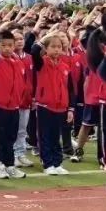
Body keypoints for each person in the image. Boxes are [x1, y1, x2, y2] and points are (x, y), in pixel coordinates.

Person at [0, 26, 30, 179]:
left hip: (15, 107)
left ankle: (10, 165)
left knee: (11, 137)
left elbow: (22, 84)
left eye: (10, 45)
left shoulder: (19, 63)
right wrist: (0, 29)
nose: (7, 48)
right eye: (3, 45)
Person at [30, 32, 75, 175]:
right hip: (45, 106)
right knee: (45, 136)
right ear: (46, 49)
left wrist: (70, 109)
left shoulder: (65, 67)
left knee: (57, 136)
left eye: (59, 47)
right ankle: (48, 163)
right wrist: (45, 37)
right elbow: (34, 50)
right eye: (53, 46)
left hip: (61, 107)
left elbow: (70, 89)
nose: (56, 49)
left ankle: (57, 162)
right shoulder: (41, 63)